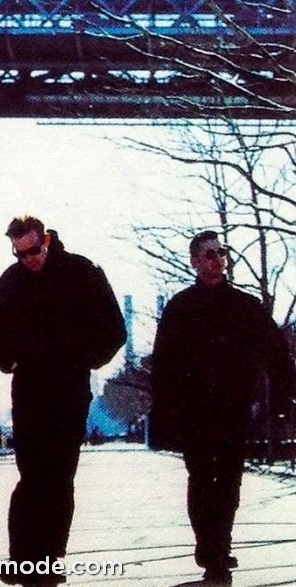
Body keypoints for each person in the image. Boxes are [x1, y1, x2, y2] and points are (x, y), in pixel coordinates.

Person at [0, 216, 126, 583]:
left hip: (69, 389)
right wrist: (9, 362)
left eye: (33, 250)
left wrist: (84, 359)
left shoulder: (83, 272)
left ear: (46, 239)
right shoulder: (10, 281)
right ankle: (22, 557)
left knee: (60, 475)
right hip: (29, 389)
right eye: (19, 253)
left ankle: (48, 558)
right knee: (31, 475)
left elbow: (115, 330)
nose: (28, 259)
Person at [151, 230, 293, 585]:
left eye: (221, 252)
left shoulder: (245, 306)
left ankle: (220, 544)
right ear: (195, 262)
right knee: (201, 477)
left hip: (233, 407)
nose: (217, 260)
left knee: (228, 479)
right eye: (209, 254)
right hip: (194, 410)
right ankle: (208, 546)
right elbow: (163, 365)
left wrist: (282, 396)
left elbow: (276, 353)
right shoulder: (181, 308)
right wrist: (166, 411)